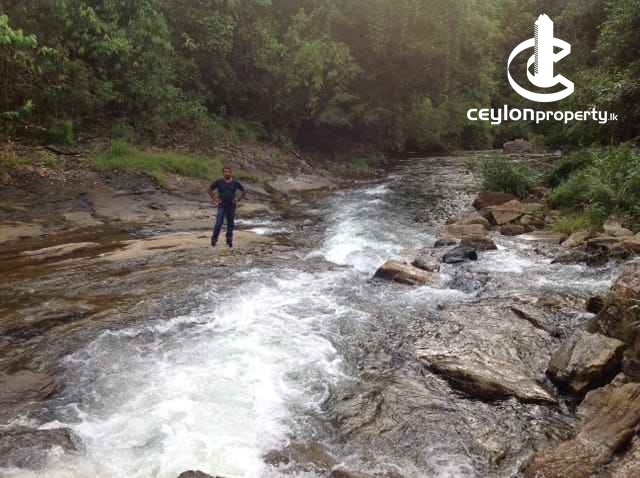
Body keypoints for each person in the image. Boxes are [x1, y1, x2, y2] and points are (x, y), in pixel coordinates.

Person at [209, 167, 246, 248]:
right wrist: (215, 199)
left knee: (230, 224)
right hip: (221, 205)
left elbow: (243, 191)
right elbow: (210, 189)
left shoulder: (235, 183)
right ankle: (214, 239)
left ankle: (229, 240)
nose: (227, 173)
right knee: (219, 223)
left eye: (228, 172)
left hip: (232, 206)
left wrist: (238, 199)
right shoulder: (219, 182)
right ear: (223, 173)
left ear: (231, 173)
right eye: (225, 172)